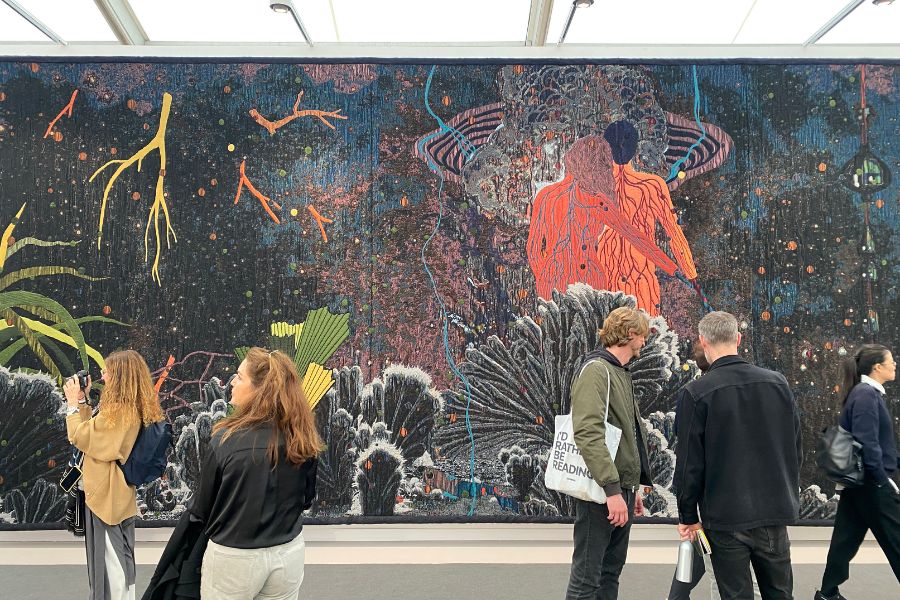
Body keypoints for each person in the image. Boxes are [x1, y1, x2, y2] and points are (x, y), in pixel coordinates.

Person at [675, 311, 802, 599]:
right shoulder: (777, 383)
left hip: (724, 513)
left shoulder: (696, 392)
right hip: (773, 509)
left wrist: (687, 514)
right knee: (780, 593)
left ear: (703, 341)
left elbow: (689, 463)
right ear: (739, 339)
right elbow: (795, 448)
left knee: (734, 594)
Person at [190, 347, 320, 600]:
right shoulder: (301, 438)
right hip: (287, 553)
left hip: (234, 559)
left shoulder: (225, 440)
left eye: (239, 377)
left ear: (260, 389)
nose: (232, 383)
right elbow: (305, 499)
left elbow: (202, 509)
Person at [565, 306, 653, 600]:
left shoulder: (618, 372)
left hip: (618, 491)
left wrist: (631, 488)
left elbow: (626, 434)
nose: (644, 341)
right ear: (630, 334)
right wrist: (613, 491)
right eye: (642, 335)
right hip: (601, 495)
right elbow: (587, 432)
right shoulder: (597, 370)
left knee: (609, 574)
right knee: (587, 581)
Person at [63, 350, 165, 600]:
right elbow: (92, 434)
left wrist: (72, 407)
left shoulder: (119, 412)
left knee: (110, 566)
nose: (103, 375)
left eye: (108, 371)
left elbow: (81, 437)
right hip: (113, 496)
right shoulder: (124, 408)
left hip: (105, 499)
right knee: (119, 558)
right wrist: (84, 402)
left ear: (120, 376)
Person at [815, 344, 899, 600]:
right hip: (872, 485)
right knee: (897, 539)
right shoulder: (866, 395)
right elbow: (868, 443)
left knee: (845, 540)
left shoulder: (865, 394)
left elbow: (877, 445)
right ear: (877, 367)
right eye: (891, 361)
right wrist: (883, 481)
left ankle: (828, 594)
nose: (894, 365)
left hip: (860, 485)